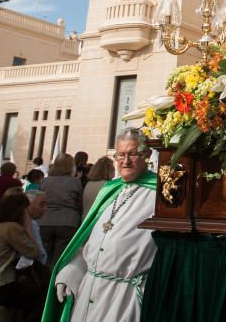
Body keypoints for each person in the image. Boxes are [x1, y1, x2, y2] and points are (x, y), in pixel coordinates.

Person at [43, 128, 158, 322]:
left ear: (146, 155)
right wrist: (73, 269)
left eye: (133, 154)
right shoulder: (109, 190)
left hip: (124, 298)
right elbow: (88, 243)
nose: (126, 161)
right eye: (121, 154)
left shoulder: (161, 194)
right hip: (88, 292)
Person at [0, 191, 45, 317]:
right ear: (20, 210)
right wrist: (28, 228)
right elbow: (35, 252)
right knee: (42, 296)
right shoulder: (12, 228)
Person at [39, 153, 83, 262]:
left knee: (44, 255)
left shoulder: (45, 181)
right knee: (60, 257)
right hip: (67, 221)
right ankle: (55, 277)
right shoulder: (75, 182)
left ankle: (43, 276)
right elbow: (79, 203)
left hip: (45, 220)